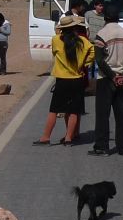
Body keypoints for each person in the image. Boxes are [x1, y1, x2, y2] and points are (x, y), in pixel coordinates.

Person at [35, 15, 94, 145]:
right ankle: (68, 137)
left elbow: (54, 52)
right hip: (77, 79)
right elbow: (92, 51)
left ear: (62, 29)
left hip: (62, 79)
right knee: (73, 110)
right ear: (75, 28)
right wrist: (85, 63)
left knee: (54, 110)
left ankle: (46, 137)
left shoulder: (56, 40)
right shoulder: (83, 42)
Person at [89, 17, 123, 156]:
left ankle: (102, 147)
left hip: (106, 79)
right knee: (121, 114)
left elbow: (99, 59)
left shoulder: (102, 34)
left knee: (103, 114)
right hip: (122, 79)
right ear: (118, 18)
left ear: (105, 18)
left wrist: (112, 76)